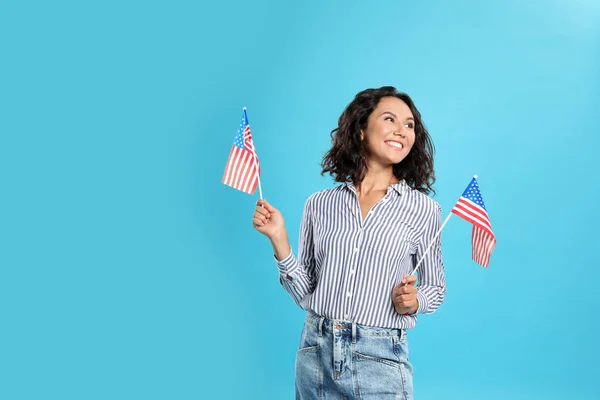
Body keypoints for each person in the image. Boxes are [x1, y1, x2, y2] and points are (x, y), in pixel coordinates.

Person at [252, 86, 446, 399]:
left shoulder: (424, 211)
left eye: (409, 125)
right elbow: (306, 294)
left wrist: (415, 301)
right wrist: (279, 238)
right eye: (390, 119)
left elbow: (436, 289)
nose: (402, 131)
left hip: (380, 355)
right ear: (360, 130)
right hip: (315, 350)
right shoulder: (319, 204)